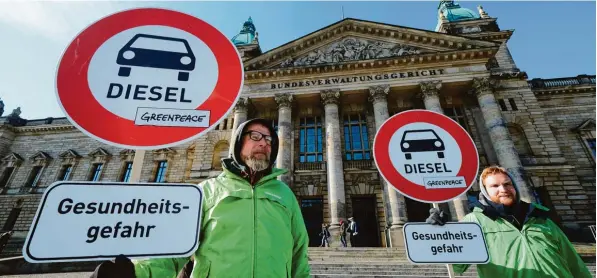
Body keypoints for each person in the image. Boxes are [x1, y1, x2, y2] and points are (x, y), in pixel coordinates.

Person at [91, 118, 311, 278]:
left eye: (270, 140)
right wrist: (133, 272)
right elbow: (174, 249)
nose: (264, 143)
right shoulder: (206, 190)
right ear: (236, 143)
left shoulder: (285, 194)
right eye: (255, 136)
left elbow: (299, 256)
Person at [427, 165, 592, 278]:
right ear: (484, 192)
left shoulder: (539, 217)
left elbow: (573, 262)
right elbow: (457, 265)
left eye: (507, 184)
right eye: (495, 186)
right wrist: (440, 234)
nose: (503, 189)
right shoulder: (474, 222)